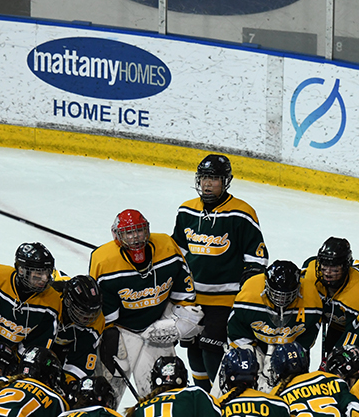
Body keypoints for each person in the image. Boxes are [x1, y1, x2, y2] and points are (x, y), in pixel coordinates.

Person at [172, 153, 268, 390]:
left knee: (211, 350)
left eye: (214, 178)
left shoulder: (242, 213)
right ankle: (204, 398)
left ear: (225, 181)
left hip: (225, 301)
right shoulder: (186, 211)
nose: (207, 184)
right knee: (193, 353)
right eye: (204, 178)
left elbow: (257, 260)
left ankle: (219, 398)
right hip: (192, 300)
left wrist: (244, 295)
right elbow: (176, 254)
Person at [89, 210, 202, 401]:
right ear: (118, 236)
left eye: (139, 231)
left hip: (156, 328)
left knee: (163, 394)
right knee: (103, 395)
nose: (135, 238)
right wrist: (107, 338)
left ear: (147, 230)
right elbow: (103, 315)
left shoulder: (167, 247)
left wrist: (178, 325)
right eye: (128, 233)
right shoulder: (104, 261)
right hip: (121, 331)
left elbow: (185, 298)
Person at [227, 259, 323, 389]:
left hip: (289, 346)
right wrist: (250, 353)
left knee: (292, 382)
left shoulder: (311, 297)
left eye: (286, 295)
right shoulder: (250, 293)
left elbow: (310, 332)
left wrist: (291, 355)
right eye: (278, 294)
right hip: (256, 341)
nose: (281, 299)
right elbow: (236, 327)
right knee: (240, 372)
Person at [302, 237, 359, 360]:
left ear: (345, 267)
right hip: (338, 323)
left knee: (356, 366)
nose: (327, 272)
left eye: (334, 268)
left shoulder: (358, 293)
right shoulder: (310, 272)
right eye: (324, 266)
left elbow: (352, 336)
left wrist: (335, 359)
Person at [0, 242, 64, 353]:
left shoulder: (52, 302)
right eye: (38, 273)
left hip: (1, 358)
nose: (45, 279)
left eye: (48, 272)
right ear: (21, 270)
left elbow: (34, 350)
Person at [48, 274, 106, 382]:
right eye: (82, 313)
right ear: (68, 302)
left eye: (92, 313)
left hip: (66, 346)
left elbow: (82, 358)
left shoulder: (97, 320)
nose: (88, 318)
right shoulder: (50, 301)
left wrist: (68, 383)